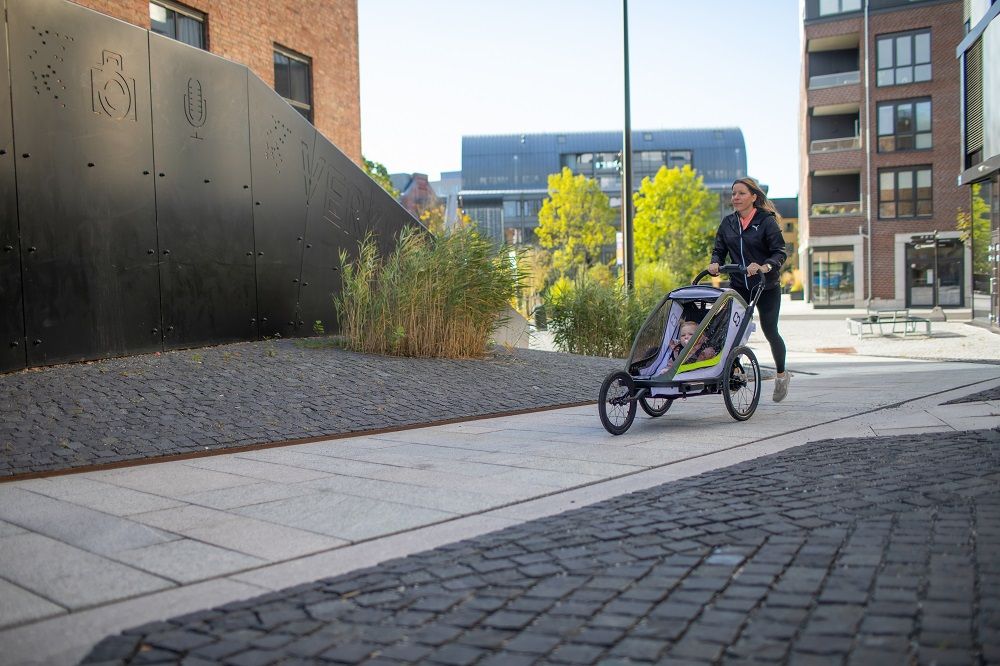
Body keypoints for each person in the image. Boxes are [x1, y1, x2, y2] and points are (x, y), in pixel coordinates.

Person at [707, 177, 790, 402]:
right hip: (739, 285)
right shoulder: (728, 223)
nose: (736, 197)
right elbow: (719, 249)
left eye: (741, 193)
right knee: (731, 329)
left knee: (770, 330)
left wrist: (764, 266)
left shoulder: (766, 221)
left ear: (754, 197)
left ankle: (782, 375)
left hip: (766, 285)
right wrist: (715, 262)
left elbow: (780, 252)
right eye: (734, 194)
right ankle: (735, 372)